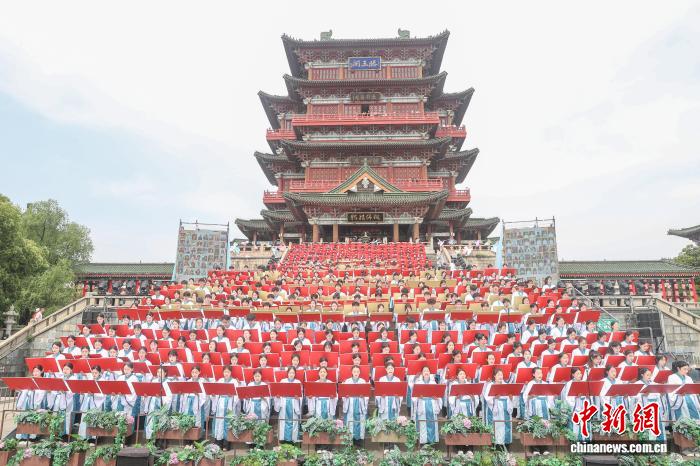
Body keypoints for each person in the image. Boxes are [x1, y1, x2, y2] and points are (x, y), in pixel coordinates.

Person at [483, 368, 514, 446]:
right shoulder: (490, 385)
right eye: (498, 375)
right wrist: (495, 398)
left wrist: (510, 398)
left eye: (501, 375)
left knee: (505, 426)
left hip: (505, 408)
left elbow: (510, 396)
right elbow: (487, 398)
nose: (500, 376)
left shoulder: (506, 385)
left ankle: (505, 444)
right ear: (494, 376)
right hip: (495, 408)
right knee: (496, 426)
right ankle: (495, 444)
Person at [411, 365, 441, 444]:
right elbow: (414, 396)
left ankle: (432, 442)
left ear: (430, 372)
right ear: (422, 373)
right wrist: (418, 397)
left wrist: (436, 398)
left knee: (432, 423)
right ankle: (423, 443)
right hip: (422, 405)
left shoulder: (433, 383)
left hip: (431, 405)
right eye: (424, 371)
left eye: (427, 371)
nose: (426, 372)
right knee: (423, 425)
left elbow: (438, 395)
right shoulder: (418, 383)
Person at [212, 365, 240, 448]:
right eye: (225, 372)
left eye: (228, 372)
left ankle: (227, 443)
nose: (226, 373)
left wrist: (232, 396)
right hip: (220, 402)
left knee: (228, 422)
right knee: (219, 421)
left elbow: (237, 394)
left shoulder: (234, 381)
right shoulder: (220, 380)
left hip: (229, 403)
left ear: (231, 372)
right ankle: (218, 442)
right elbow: (216, 392)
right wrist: (213, 395)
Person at [16, 365, 47, 440]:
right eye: (34, 371)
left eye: (37, 371)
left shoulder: (43, 381)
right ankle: (23, 436)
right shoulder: (30, 379)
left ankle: (32, 436)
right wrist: (21, 391)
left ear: (41, 371)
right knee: (25, 418)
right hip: (27, 402)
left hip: (36, 402)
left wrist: (36, 401)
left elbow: (42, 393)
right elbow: (24, 390)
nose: (35, 373)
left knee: (34, 418)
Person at [561, 367, 591, 442]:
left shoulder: (584, 383)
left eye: (580, 373)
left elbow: (588, 396)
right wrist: (575, 397)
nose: (580, 375)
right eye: (577, 373)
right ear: (573, 374)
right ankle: (575, 443)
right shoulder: (569, 384)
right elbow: (567, 398)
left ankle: (585, 442)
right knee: (576, 426)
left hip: (583, 407)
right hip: (575, 408)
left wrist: (587, 396)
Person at [275, 366, 303, 442]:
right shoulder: (283, 381)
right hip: (284, 403)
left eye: (293, 373)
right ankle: (282, 439)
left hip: (294, 403)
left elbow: (301, 395)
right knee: (283, 421)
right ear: (287, 373)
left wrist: (298, 398)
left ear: (295, 374)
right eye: (290, 373)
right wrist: (278, 397)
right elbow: (279, 392)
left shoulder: (298, 382)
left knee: (293, 421)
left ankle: (293, 440)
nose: (291, 374)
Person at [342, 365, 368, 442]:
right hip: (350, 402)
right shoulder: (347, 381)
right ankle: (350, 439)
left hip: (360, 403)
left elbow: (366, 395)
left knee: (359, 420)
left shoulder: (363, 381)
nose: (356, 373)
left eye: (357, 371)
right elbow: (344, 393)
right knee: (350, 420)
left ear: (359, 372)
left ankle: (359, 440)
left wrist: (363, 397)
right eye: (354, 371)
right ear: (352, 372)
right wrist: (346, 396)